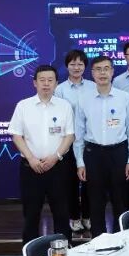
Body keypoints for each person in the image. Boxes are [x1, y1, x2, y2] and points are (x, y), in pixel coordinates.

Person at [8, 65, 74, 244]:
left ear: (56, 83)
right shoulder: (23, 106)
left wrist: (55, 157)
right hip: (31, 167)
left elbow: (69, 135)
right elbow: (16, 135)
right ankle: (31, 254)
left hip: (58, 167)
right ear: (34, 83)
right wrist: (31, 159)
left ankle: (65, 251)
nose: (46, 84)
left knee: (61, 213)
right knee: (31, 214)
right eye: (42, 80)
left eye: (50, 80)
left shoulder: (64, 106)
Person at [74, 55, 129, 236]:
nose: (102, 73)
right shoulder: (84, 99)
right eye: (98, 69)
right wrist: (80, 162)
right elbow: (78, 134)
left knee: (121, 201)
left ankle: (122, 240)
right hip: (93, 154)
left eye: (106, 69)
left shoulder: (124, 98)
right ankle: (98, 242)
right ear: (92, 73)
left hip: (119, 153)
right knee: (95, 202)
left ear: (112, 72)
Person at [55, 49, 96, 233]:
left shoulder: (93, 87)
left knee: (90, 181)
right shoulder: (60, 90)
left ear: (85, 66)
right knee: (70, 182)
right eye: (73, 64)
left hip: (89, 141)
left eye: (80, 64)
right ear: (67, 66)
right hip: (68, 141)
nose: (76, 67)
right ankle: (74, 217)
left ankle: (87, 215)